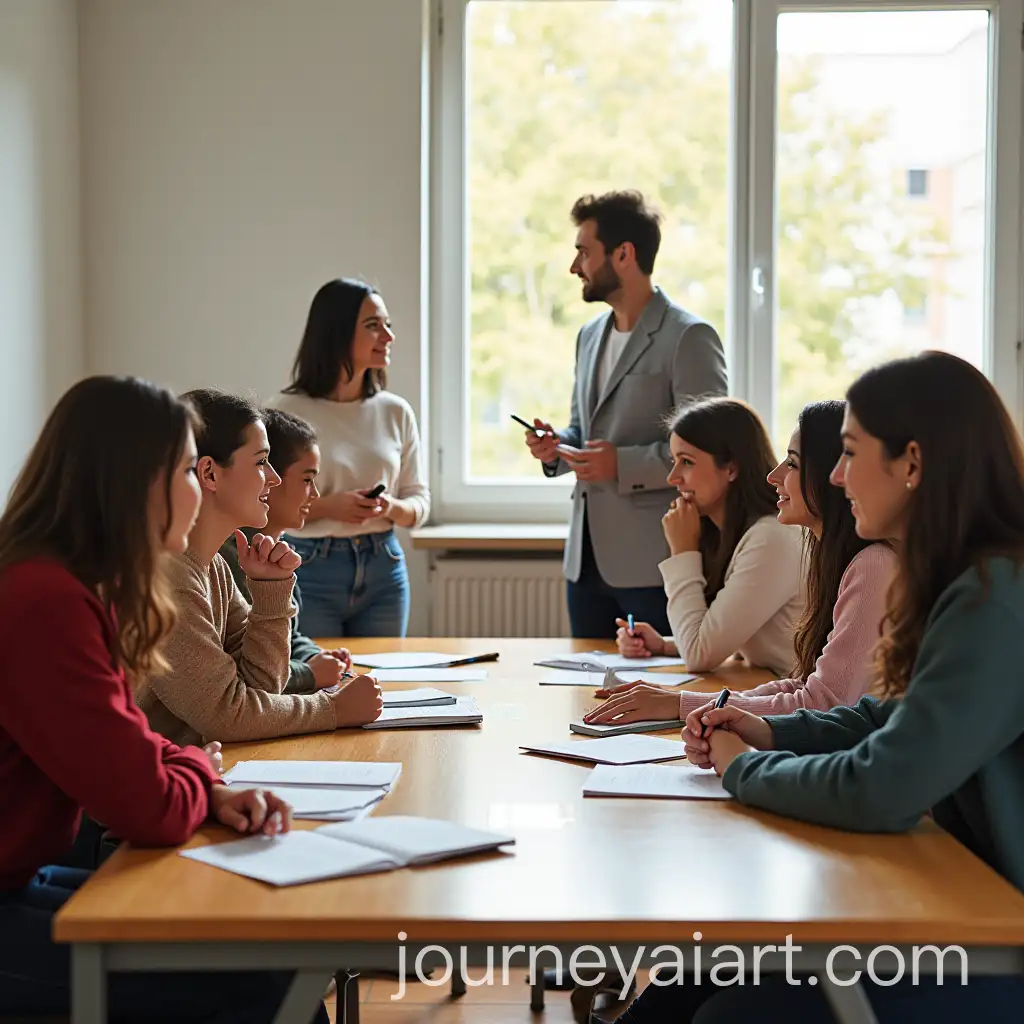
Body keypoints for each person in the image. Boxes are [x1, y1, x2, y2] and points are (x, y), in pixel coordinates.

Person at [618, 351, 1024, 1023]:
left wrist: (747, 767)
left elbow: (881, 785)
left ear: (914, 464)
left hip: (992, 937)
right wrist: (769, 729)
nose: (835, 477)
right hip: (959, 899)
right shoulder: (964, 580)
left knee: (729, 1012)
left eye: (849, 453)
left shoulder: (995, 598)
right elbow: (884, 715)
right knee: (697, 968)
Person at [0, 375, 326, 1023]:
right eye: (185, 470)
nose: (195, 489)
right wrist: (201, 771)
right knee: (262, 984)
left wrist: (205, 788)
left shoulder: (68, 584)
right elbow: (147, 803)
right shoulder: (47, 601)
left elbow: (131, 746)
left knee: (270, 953)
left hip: (18, 877)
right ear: (138, 483)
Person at [586, 400, 894, 727]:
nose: (773, 476)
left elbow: (820, 702)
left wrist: (681, 704)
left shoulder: (864, 561)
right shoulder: (825, 551)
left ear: (835, 476)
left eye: (792, 463)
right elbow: (806, 684)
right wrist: (681, 697)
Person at [523, 190, 727, 639]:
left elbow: (713, 451)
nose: (575, 266)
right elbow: (586, 429)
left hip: (655, 564)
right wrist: (557, 446)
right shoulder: (588, 336)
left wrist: (621, 464)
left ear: (624, 254)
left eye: (583, 252)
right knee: (580, 698)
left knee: (656, 700)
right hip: (585, 563)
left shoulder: (689, 336)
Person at [137, 389, 382, 746]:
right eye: (261, 462)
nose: (274, 478)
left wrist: (271, 592)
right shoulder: (168, 575)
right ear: (210, 473)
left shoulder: (215, 568)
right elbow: (226, 714)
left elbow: (261, 686)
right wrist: (332, 709)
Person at [269, 278, 429, 638]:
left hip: (384, 568)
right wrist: (330, 508)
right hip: (307, 568)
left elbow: (420, 502)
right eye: (373, 326)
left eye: (388, 325)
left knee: (383, 684)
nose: (387, 337)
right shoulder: (284, 411)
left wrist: (388, 508)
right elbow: (265, 507)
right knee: (322, 684)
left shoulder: (396, 411)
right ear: (336, 332)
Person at [609, 397, 804, 677]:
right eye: (674, 461)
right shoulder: (737, 533)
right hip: (776, 688)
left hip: (811, 705)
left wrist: (683, 551)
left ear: (732, 468)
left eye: (686, 462)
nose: (673, 478)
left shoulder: (771, 537)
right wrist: (665, 646)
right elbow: (727, 634)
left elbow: (699, 656)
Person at [220, 407, 354, 693]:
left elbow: (289, 637)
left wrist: (314, 656)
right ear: (269, 479)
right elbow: (249, 670)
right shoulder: (232, 560)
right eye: (307, 480)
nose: (315, 494)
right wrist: (310, 673)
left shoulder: (280, 550)